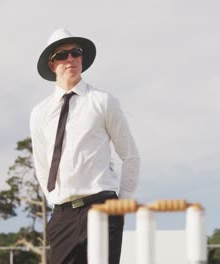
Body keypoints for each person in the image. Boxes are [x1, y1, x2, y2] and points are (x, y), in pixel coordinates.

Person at [30, 28, 140, 264]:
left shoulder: (103, 102)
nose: (70, 59)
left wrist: (121, 206)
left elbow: (130, 156)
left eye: (75, 53)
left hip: (103, 209)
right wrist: (55, 199)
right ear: (52, 65)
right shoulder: (39, 114)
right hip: (62, 216)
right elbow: (41, 164)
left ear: (81, 58)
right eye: (62, 55)